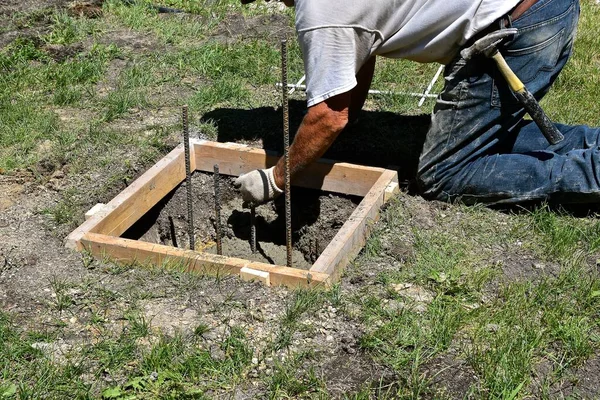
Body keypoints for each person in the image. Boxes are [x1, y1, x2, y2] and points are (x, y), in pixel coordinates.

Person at [235, 0, 596, 207]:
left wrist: (276, 180)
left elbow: (328, 116)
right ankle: (592, 144)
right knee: (481, 134)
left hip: (519, 27)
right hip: (545, 8)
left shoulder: (319, 14)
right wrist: (351, 115)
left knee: (444, 174)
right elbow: (360, 55)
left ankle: (592, 173)